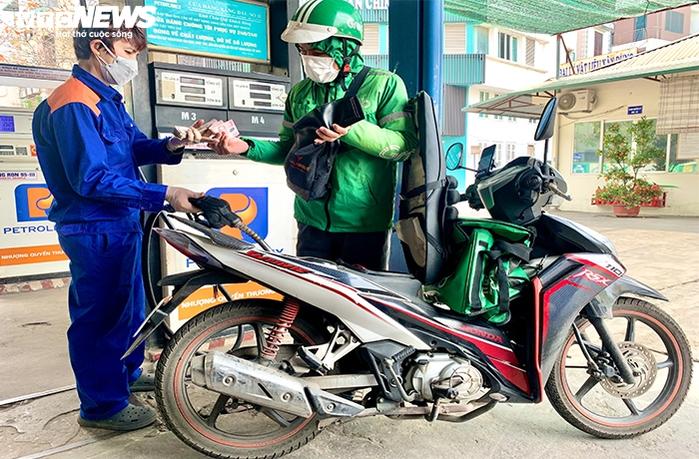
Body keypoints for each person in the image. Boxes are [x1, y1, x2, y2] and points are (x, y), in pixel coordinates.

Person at [32, 23, 204, 431]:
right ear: (99, 47)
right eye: (129, 52)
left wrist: (172, 145)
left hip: (120, 222)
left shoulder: (105, 99)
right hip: (94, 229)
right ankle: (102, 406)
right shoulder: (73, 104)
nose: (134, 62)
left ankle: (124, 375)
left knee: (128, 310)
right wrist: (166, 194)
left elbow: (132, 148)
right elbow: (90, 179)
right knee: (101, 318)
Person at [208, 0, 417, 271]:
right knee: (308, 295)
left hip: (364, 225)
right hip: (310, 221)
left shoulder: (384, 84)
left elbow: (404, 146)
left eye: (316, 50)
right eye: (303, 51)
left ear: (345, 47)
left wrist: (352, 131)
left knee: (358, 297)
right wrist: (244, 147)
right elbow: (288, 150)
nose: (308, 58)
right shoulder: (300, 93)